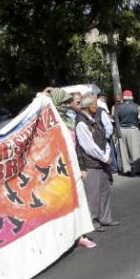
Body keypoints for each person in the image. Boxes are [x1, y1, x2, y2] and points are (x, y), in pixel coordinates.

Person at [50, 88, 97, 249]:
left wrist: (82, 167)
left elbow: (76, 147)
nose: (67, 105)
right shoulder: (50, 124)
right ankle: (66, 237)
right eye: (63, 103)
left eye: (68, 102)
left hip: (74, 168)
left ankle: (80, 235)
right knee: (63, 206)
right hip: (59, 172)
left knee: (79, 202)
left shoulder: (69, 120)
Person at [76, 93, 119, 231]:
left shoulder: (93, 118)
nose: (97, 106)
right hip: (92, 163)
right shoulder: (81, 122)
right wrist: (104, 157)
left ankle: (105, 218)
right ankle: (94, 222)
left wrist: (106, 153)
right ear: (88, 106)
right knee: (93, 194)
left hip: (101, 161)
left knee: (104, 190)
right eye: (94, 103)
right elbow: (89, 146)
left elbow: (103, 139)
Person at [114, 90, 140, 176]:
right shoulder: (136, 106)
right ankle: (137, 169)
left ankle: (126, 170)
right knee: (135, 150)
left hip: (122, 130)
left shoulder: (118, 107)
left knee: (123, 152)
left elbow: (116, 120)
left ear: (123, 97)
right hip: (133, 129)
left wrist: (118, 132)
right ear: (131, 97)